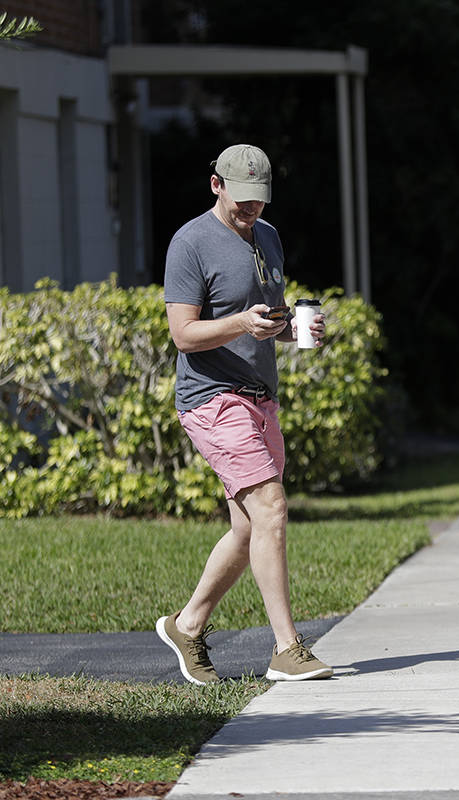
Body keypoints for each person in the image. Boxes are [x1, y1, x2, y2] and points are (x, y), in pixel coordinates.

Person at [158, 143, 332, 685]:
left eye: (259, 200)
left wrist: (293, 329)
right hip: (212, 397)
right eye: (241, 200)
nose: (250, 209)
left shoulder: (269, 236)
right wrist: (239, 323)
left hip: (260, 395)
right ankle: (287, 648)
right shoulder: (190, 243)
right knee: (272, 507)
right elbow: (183, 334)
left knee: (246, 527)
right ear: (216, 185)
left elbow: (266, 317)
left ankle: (187, 625)